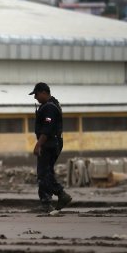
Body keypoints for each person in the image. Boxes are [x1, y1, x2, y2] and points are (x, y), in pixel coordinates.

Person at [31, 82, 72, 212]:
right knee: (46, 172)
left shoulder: (49, 107)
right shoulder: (51, 105)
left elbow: (47, 129)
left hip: (49, 143)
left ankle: (59, 195)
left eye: (36, 94)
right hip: (52, 142)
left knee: (43, 174)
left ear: (43, 92)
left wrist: (38, 144)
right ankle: (46, 202)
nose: (35, 98)